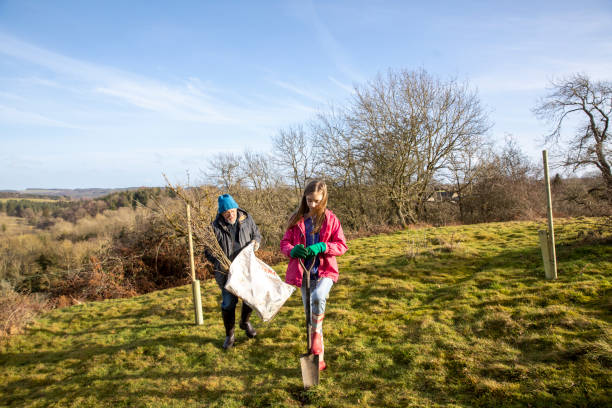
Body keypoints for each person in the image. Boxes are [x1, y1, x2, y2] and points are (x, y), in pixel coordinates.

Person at [280, 180, 348, 371]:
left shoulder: (331, 219)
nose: (312, 205)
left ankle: (316, 339)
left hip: (324, 271)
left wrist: (324, 246)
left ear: (323, 198)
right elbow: (284, 243)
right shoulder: (296, 219)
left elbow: (342, 245)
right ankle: (319, 359)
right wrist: (292, 251)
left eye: (317, 201)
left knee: (318, 298)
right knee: (311, 317)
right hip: (304, 274)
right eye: (309, 200)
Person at [205, 193, 262, 350]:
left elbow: (257, 234)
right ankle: (230, 335)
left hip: (246, 268)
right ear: (221, 213)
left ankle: (245, 322)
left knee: (249, 298)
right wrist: (220, 263)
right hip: (226, 272)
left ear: (236, 208)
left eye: (232, 211)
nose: (230, 214)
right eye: (226, 212)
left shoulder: (247, 219)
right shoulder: (214, 227)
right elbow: (208, 251)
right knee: (229, 303)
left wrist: (256, 242)